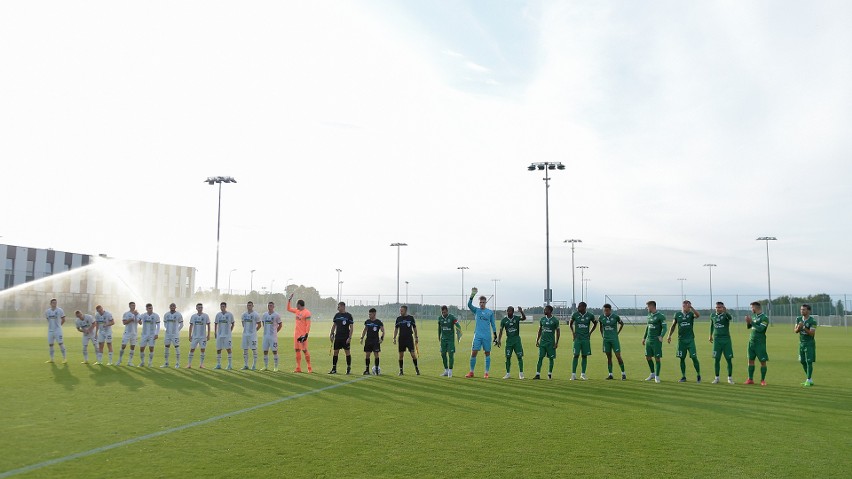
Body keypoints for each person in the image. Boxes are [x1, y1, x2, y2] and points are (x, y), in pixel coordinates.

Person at [465, 288, 497, 378]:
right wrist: (472, 295)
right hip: (477, 335)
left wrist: (495, 335)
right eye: (480, 302)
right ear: (479, 303)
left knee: (487, 353)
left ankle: (486, 373)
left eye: (483, 302)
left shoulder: (490, 312)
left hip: (487, 336)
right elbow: (469, 304)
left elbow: (493, 324)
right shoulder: (477, 311)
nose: (482, 304)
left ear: (485, 303)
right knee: (474, 352)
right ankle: (471, 372)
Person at [667, 300, 701, 383]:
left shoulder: (690, 314)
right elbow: (673, 325)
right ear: (682, 306)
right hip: (681, 340)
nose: (686, 306)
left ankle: (698, 375)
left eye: (687, 305)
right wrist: (669, 335)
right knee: (682, 358)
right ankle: (683, 376)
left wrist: (692, 307)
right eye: (684, 305)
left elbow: (698, 315)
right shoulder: (677, 314)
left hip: (690, 340)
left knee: (694, 357)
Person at [570, 301, 597, 380]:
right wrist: (573, 333)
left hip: (586, 339)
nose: (578, 308)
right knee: (575, 355)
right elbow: (570, 324)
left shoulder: (590, 315)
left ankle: (583, 374)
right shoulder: (575, 315)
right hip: (577, 339)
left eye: (579, 306)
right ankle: (573, 374)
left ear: (584, 307)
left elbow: (595, 323)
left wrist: (590, 332)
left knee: (584, 356)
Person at [497, 306, 526, 379]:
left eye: (510, 311)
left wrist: (521, 311)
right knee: (508, 357)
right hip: (509, 341)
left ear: (513, 312)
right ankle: (508, 373)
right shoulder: (504, 320)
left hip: (517, 340)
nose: (508, 312)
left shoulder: (516, 318)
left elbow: (524, 318)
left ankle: (521, 373)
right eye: (507, 311)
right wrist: (499, 340)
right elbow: (501, 331)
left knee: (519, 357)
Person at [709, 301, 735, 384]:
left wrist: (725, 312)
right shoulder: (712, 315)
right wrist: (710, 335)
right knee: (716, 359)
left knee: (728, 359)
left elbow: (730, 318)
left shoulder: (726, 315)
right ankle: (717, 378)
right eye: (716, 307)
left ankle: (729, 378)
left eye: (719, 307)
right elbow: (712, 325)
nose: (717, 309)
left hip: (726, 340)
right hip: (717, 340)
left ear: (723, 307)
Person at [744, 301, 769, 385]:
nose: (751, 309)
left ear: (756, 307)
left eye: (752, 307)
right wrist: (748, 322)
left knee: (763, 362)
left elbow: (761, 329)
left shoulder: (764, 317)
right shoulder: (754, 316)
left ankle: (762, 380)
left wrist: (751, 322)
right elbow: (749, 327)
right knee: (750, 360)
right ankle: (750, 379)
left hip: (760, 343)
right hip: (751, 342)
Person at [599, 303, 626, 380]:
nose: (606, 312)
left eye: (607, 310)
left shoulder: (615, 317)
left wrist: (617, 333)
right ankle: (610, 374)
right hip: (606, 340)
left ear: (610, 310)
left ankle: (623, 373)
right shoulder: (601, 317)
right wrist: (602, 335)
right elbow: (600, 327)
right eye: (604, 311)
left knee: (618, 356)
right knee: (609, 357)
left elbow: (622, 324)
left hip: (614, 340)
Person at [642, 300, 667, 383]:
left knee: (657, 358)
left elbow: (665, 328)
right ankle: (652, 373)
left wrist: (661, 336)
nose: (647, 308)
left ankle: (657, 376)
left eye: (648, 306)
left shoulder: (660, 316)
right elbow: (647, 327)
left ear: (652, 306)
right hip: (649, 340)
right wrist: (644, 338)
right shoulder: (649, 315)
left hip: (656, 340)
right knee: (647, 357)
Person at [287, 294, 313, 373]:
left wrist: (306, 334)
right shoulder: (297, 311)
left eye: (297, 305)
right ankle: (298, 368)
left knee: (304, 350)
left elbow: (308, 324)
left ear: (299, 305)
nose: (296, 306)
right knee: (297, 350)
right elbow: (288, 309)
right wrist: (289, 300)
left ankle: (309, 367)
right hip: (296, 334)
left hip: (303, 334)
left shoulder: (307, 312)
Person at [534, 305, 560, 380]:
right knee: (540, 358)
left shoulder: (555, 320)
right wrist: (537, 340)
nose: (544, 311)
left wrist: (557, 342)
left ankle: (549, 374)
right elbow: (540, 330)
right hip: (542, 342)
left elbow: (558, 332)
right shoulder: (542, 319)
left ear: (549, 311)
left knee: (551, 359)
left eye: (545, 310)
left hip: (551, 343)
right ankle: (537, 374)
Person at [794, 304, 818, 387]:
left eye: (803, 309)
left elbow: (812, 334)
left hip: (809, 343)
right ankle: (810, 379)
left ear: (808, 311)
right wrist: (798, 328)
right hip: (801, 343)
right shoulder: (798, 319)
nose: (801, 311)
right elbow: (795, 331)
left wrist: (803, 327)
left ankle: (808, 379)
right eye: (801, 309)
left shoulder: (813, 321)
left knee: (809, 361)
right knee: (802, 361)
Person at [328, 302, 354, 374]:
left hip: (345, 337)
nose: (338, 308)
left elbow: (351, 328)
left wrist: (349, 337)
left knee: (347, 352)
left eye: (339, 307)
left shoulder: (349, 316)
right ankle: (334, 368)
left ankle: (348, 368)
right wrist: (331, 334)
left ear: (343, 307)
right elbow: (334, 325)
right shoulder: (337, 315)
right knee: (335, 352)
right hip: (338, 337)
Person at [393, 305, 420, 375]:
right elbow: (396, 329)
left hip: (409, 339)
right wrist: (394, 338)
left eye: (402, 311)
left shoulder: (410, 318)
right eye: (400, 310)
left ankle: (417, 369)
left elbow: (414, 328)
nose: (400, 312)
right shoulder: (398, 319)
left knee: (413, 354)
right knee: (401, 355)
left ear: (405, 311)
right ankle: (401, 371)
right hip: (401, 339)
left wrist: (416, 337)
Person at [437, 305, 462, 377]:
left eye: (444, 312)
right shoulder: (440, 318)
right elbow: (439, 328)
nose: (443, 314)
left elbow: (458, 325)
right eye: (442, 312)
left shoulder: (452, 317)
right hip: (443, 340)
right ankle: (446, 370)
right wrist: (439, 336)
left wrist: (459, 331)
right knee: (443, 354)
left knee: (451, 354)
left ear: (447, 311)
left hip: (450, 340)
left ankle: (450, 371)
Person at [360, 308, 385, 375]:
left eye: (370, 314)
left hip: (375, 341)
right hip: (368, 340)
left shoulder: (378, 322)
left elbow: (383, 331)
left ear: (374, 314)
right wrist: (362, 338)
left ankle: (376, 369)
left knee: (376, 355)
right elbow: (365, 330)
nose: (369, 315)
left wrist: (381, 338)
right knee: (367, 355)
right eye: (369, 314)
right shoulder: (367, 321)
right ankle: (367, 370)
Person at [186, 303, 210, 369]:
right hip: (195, 336)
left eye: (201, 307)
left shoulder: (206, 316)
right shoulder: (193, 316)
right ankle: (189, 364)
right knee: (192, 349)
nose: (200, 308)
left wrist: (208, 335)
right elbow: (191, 326)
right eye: (199, 307)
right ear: (196, 308)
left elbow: (208, 325)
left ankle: (201, 364)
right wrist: (189, 335)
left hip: (203, 337)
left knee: (202, 350)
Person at [260, 301, 282, 371]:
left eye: (271, 305)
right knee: (265, 351)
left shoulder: (276, 315)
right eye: (269, 305)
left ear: (273, 307)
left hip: (273, 337)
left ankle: (276, 367)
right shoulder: (264, 315)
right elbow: (263, 323)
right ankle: (265, 366)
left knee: (274, 351)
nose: (270, 307)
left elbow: (280, 325)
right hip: (265, 336)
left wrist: (275, 331)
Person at [240, 301, 261, 370]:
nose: (249, 306)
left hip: (252, 335)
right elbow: (243, 323)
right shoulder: (244, 314)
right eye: (248, 305)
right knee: (245, 350)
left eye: (250, 305)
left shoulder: (256, 314)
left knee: (254, 350)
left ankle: (254, 365)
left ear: (252, 306)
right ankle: (246, 365)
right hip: (245, 335)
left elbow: (259, 325)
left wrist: (254, 331)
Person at [117, 301, 139, 366]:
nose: (133, 306)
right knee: (123, 346)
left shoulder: (138, 314)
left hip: (134, 333)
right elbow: (124, 323)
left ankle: (130, 362)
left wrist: (138, 318)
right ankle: (119, 360)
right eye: (132, 305)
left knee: (132, 347)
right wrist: (131, 318)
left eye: (134, 305)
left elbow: (140, 322)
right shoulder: (126, 314)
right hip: (127, 332)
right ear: (129, 306)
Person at [161, 303, 183, 368]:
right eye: (171, 306)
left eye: (173, 306)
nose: (172, 307)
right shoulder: (166, 314)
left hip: (175, 335)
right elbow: (165, 323)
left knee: (177, 348)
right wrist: (167, 329)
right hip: (167, 334)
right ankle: (166, 363)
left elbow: (181, 325)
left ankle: (177, 363)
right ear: (169, 307)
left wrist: (177, 331)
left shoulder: (178, 314)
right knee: (166, 347)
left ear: (175, 307)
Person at [45, 298, 67, 364]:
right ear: (50, 304)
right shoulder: (47, 311)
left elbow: (63, 319)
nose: (55, 304)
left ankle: (64, 358)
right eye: (53, 302)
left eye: (56, 302)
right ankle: (51, 359)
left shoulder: (60, 310)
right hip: (50, 331)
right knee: (50, 345)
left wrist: (59, 326)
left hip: (58, 330)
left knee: (60, 344)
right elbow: (48, 319)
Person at [214, 302, 235, 370]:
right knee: (218, 349)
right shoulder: (218, 315)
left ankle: (229, 365)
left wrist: (230, 331)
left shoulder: (229, 314)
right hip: (219, 335)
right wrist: (215, 332)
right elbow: (216, 324)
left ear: (225, 307)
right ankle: (218, 364)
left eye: (223, 306)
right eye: (221, 306)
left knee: (228, 349)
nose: (222, 307)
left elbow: (233, 323)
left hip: (227, 335)